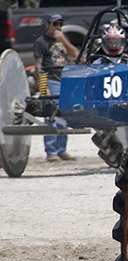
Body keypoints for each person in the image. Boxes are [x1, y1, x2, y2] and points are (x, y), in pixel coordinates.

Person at [33, 13, 79, 162]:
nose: (58, 27)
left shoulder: (62, 40)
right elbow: (39, 65)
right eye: (55, 24)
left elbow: (75, 54)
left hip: (64, 79)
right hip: (50, 79)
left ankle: (62, 150)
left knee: (64, 114)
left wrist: (63, 40)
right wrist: (43, 85)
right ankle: (51, 151)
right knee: (51, 115)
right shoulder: (41, 42)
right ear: (48, 25)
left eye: (60, 24)